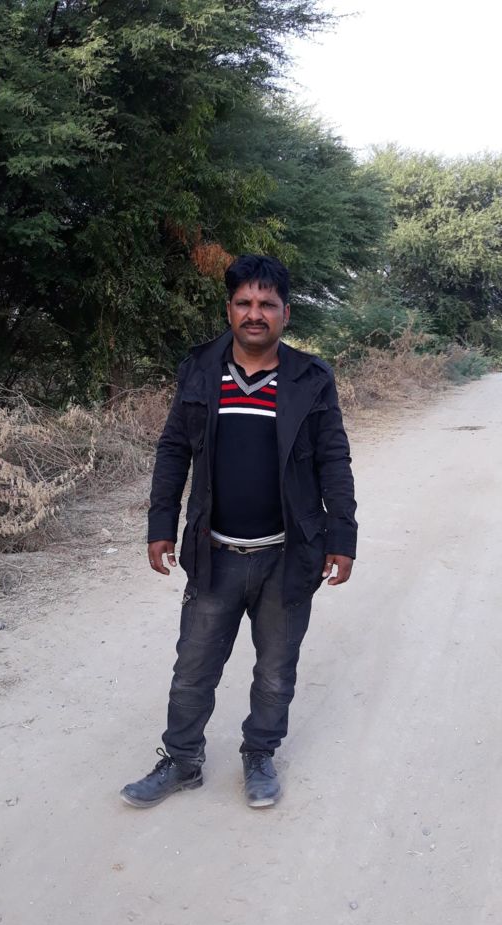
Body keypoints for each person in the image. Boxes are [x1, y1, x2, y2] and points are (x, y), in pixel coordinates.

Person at [121, 254, 357, 809]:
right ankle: (182, 761)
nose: (255, 314)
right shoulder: (199, 369)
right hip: (215, 553)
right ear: (229, 309)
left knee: (275, 672)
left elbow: (334, 460)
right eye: (245, 303)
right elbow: (173, 449)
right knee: (192, 670)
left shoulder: (310, 378)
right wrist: (160, 524)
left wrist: (342, 538)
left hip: (287, 556)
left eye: (267, 304)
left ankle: (260, 754)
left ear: (285, 313)